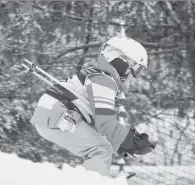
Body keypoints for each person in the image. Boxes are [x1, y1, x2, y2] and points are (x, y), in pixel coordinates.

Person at [30, 36, 155, 177]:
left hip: (54, 113)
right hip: (59, 113)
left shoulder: (99, 76)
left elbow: (99, 127)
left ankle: (89, 182)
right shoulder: (104, 80)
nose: (135, 76)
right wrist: (132, 141)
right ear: (123, 62)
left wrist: (122, 144)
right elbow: (107, 124)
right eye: (136, 69)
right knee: (100, 149)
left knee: (100, 146)